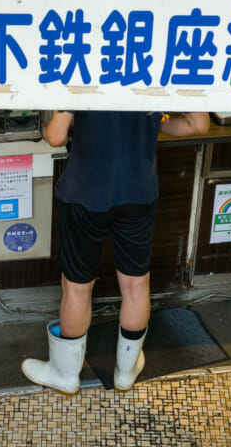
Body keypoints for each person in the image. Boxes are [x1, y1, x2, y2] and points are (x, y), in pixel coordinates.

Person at [21, 109, 210, 394]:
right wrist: (150, 124)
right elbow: (198, 124)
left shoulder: (81, 65)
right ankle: (125, 372)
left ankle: (65, 374)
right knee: (135, 284)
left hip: (85, 192)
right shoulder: (157, 65)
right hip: (139, 192)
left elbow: (56, 136)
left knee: (77, 287)